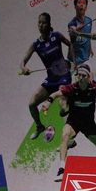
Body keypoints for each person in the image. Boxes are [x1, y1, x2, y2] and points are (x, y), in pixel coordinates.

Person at [19, 12, 75, 140]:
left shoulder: (56, 36)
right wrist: (24, 68)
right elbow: (23, 62)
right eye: (39, 22)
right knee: (32, 104)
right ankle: (39, 126)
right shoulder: (36, 44)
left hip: (64, 76)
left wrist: (72, 62)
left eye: (44, 22)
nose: (41, 25)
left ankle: (70, 135)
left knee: (63, 104)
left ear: (49, 24)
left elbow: (70, 44)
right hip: (50, 79)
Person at [45, 64, 96, 182]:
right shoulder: (72, 88)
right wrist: (48, 102)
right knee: (65, 134)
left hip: (89, 124)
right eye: (79, 75)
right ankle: (62, 169)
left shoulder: (94, 88)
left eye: (83, 75)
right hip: (74, 122)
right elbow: (55, 94)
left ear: (88, 77)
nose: (80, 77)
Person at [67, 0, 93, 66]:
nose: (81, 5)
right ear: (75, 6)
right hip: (74, 60)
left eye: (84, 3)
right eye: (79, 3)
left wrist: (90, 49)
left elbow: (88, 37)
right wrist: (77, 29)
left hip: (85, 58)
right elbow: (73, 31)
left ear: (86, 7)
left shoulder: (89, 21)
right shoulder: (72, 23)